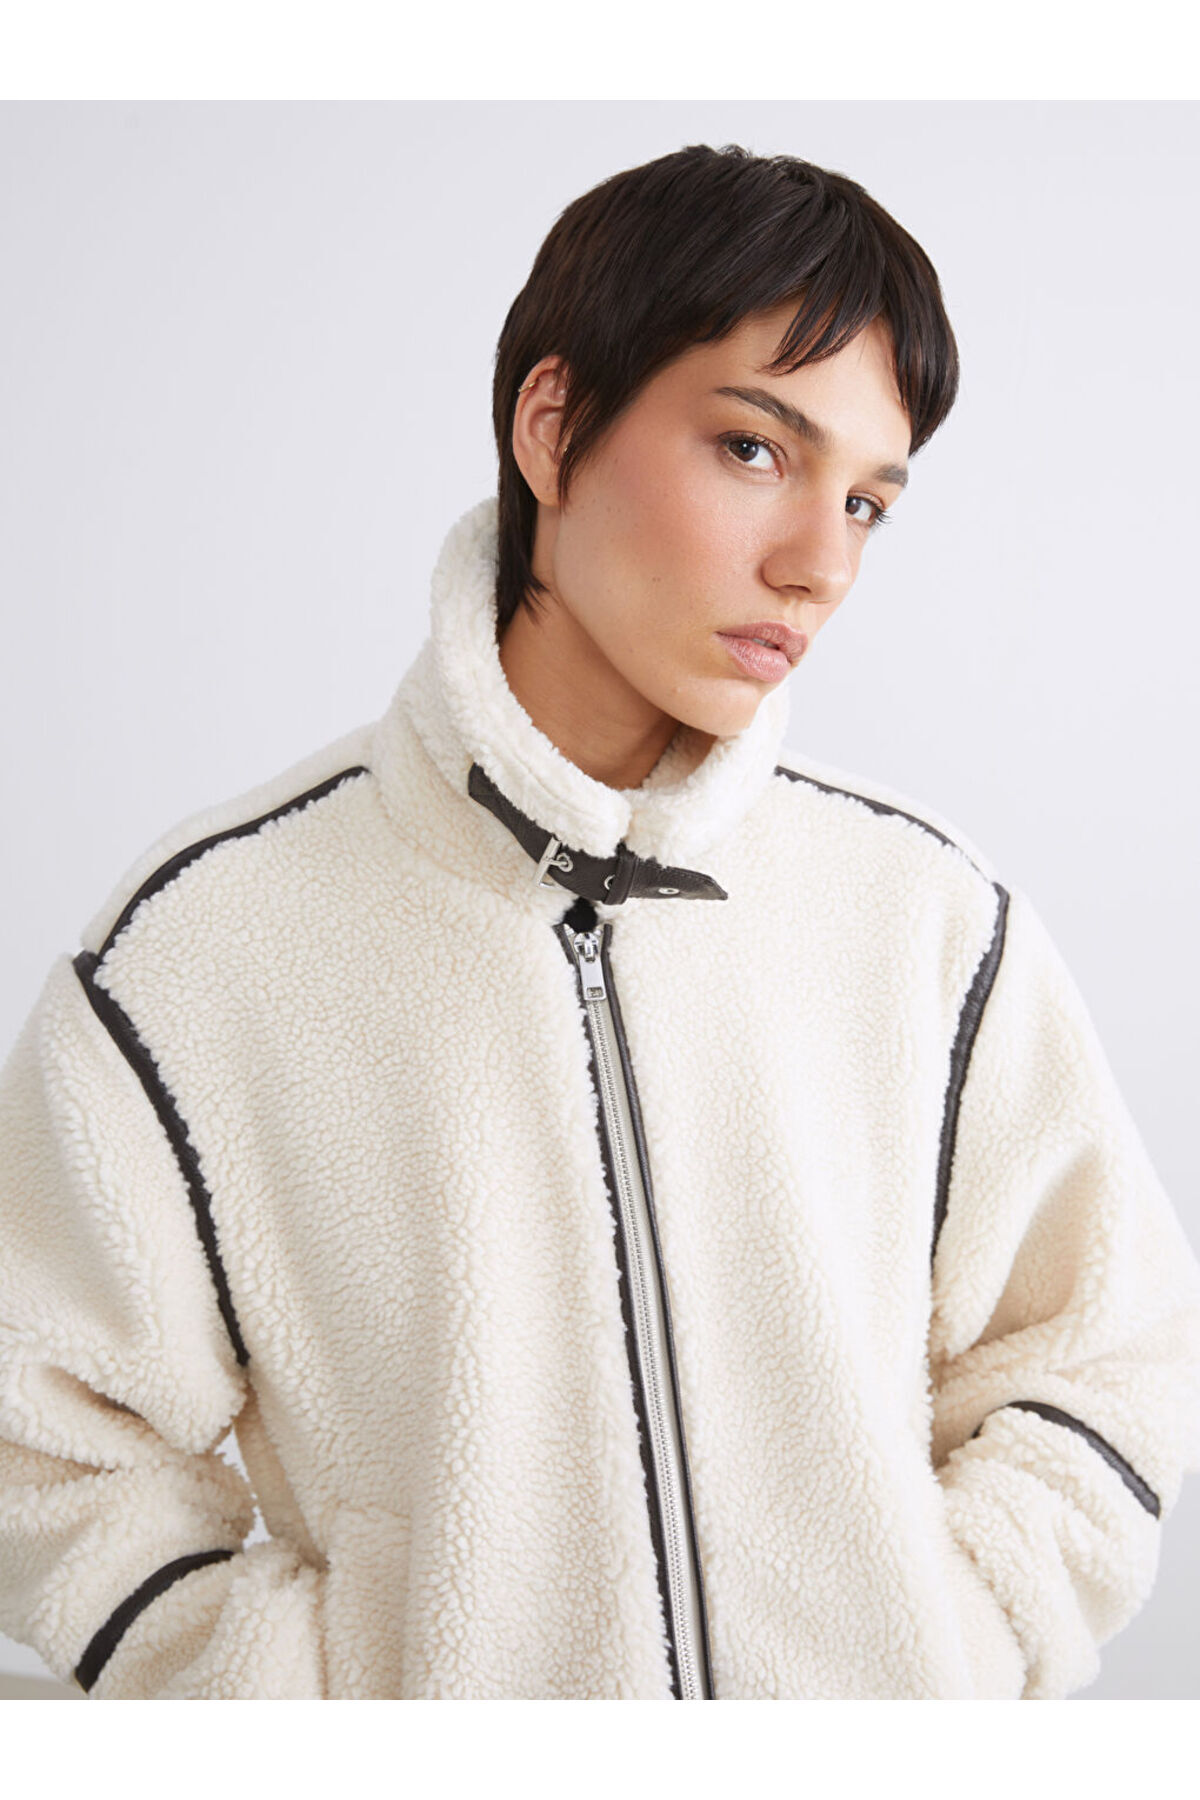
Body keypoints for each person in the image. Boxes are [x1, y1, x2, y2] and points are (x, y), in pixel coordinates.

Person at [1, 141, 1198, 1702]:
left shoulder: (927, 922)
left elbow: (1103, 1349)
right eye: (755, 449)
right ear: (552, 429)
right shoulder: (207, 951)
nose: (820, 565)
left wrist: (954, 1645)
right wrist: (303, 1712)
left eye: (866, 501)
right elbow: (44, 1442)